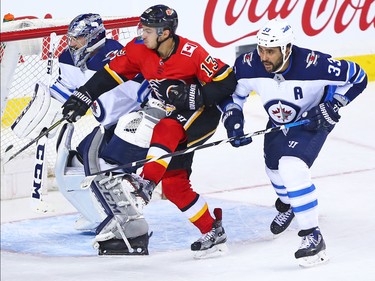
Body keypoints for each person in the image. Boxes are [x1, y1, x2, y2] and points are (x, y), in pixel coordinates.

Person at [61, 4, 237, 257]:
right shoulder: (138, 49)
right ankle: (212, 230)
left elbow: (227, 81)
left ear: (164, 33)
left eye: (147, 30)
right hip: (171, 116)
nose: (141, 34)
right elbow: (110, 75)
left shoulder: (192, 53)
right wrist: (84, 96)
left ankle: (146, 182)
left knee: (163, 127)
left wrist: (196, 95)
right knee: (175, 186)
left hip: (201, 117)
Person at [221, 18, 368, 266]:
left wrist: (334, 105)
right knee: (273, 167)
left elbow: (359, 77)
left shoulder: (316, 65)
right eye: (261, 49)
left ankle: (313, 237)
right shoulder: (248, 65)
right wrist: (233, 119)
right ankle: (289, 204)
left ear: (287, 49)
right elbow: (233, 95)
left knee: (292, 168)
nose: (264, 56)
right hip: (278, 121)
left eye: (271, 51)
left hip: (312, 121)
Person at [12, 13, 158, 255]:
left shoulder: (114, 57)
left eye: (77, 39)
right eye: (71, 38)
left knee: (104, 169)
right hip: (107, 124)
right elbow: (66, 89)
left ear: (93, 38)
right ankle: (97, 214)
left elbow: (148, 94)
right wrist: (45, 109)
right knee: (78, 161)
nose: (72, 44)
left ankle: (129, 224)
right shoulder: (68, 58)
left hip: (132, 124)